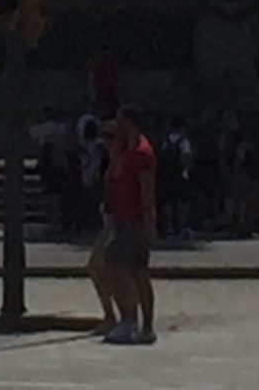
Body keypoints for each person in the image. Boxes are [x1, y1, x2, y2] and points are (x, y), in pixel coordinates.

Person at [90, 107, 157, 347]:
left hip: (134, 219)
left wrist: (149, 222)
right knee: (123, 267)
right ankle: (134, 322)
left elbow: (146, 189)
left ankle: (134, 321)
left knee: (130, 270)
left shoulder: (141, 153)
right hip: (122, 217)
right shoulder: (126, 149)